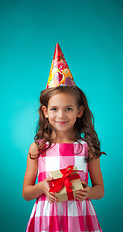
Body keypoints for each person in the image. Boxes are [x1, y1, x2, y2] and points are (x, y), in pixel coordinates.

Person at [22, 44, 105, 232]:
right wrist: (42, 187)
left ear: (79, 111)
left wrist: (88, 192)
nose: (61, 115)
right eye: (54, 109)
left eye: (68, 109)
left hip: (79, 216)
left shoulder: (87, 148)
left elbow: (100, 190)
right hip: (47, 216)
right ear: (45, 111)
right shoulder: (37, 148)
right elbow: (26, 193)